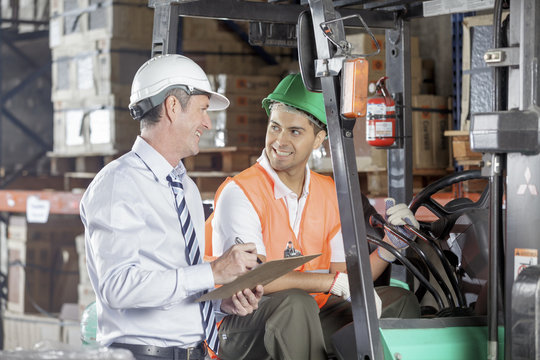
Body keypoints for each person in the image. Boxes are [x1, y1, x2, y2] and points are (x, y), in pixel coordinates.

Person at [205, 73, 420, 359]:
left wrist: (390, 249)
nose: (279, 141)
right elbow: (254, 279)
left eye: (294, 131)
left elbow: (343, 277)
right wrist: (328, 283)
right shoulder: (241, 191)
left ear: (319, 139)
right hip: (239, 326)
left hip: (311, 314)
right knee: (295, 304)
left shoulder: (328, 192)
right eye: (275, 127)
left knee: (398, 301)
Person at [80, 54, 264, 360]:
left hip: (193, 352)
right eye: (203, 110)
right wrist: (213, 271)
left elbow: (175, 280)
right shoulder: (118, 184)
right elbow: (118, 287)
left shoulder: (185, 187)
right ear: (173, 106)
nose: (207, 123)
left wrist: (220, 300)